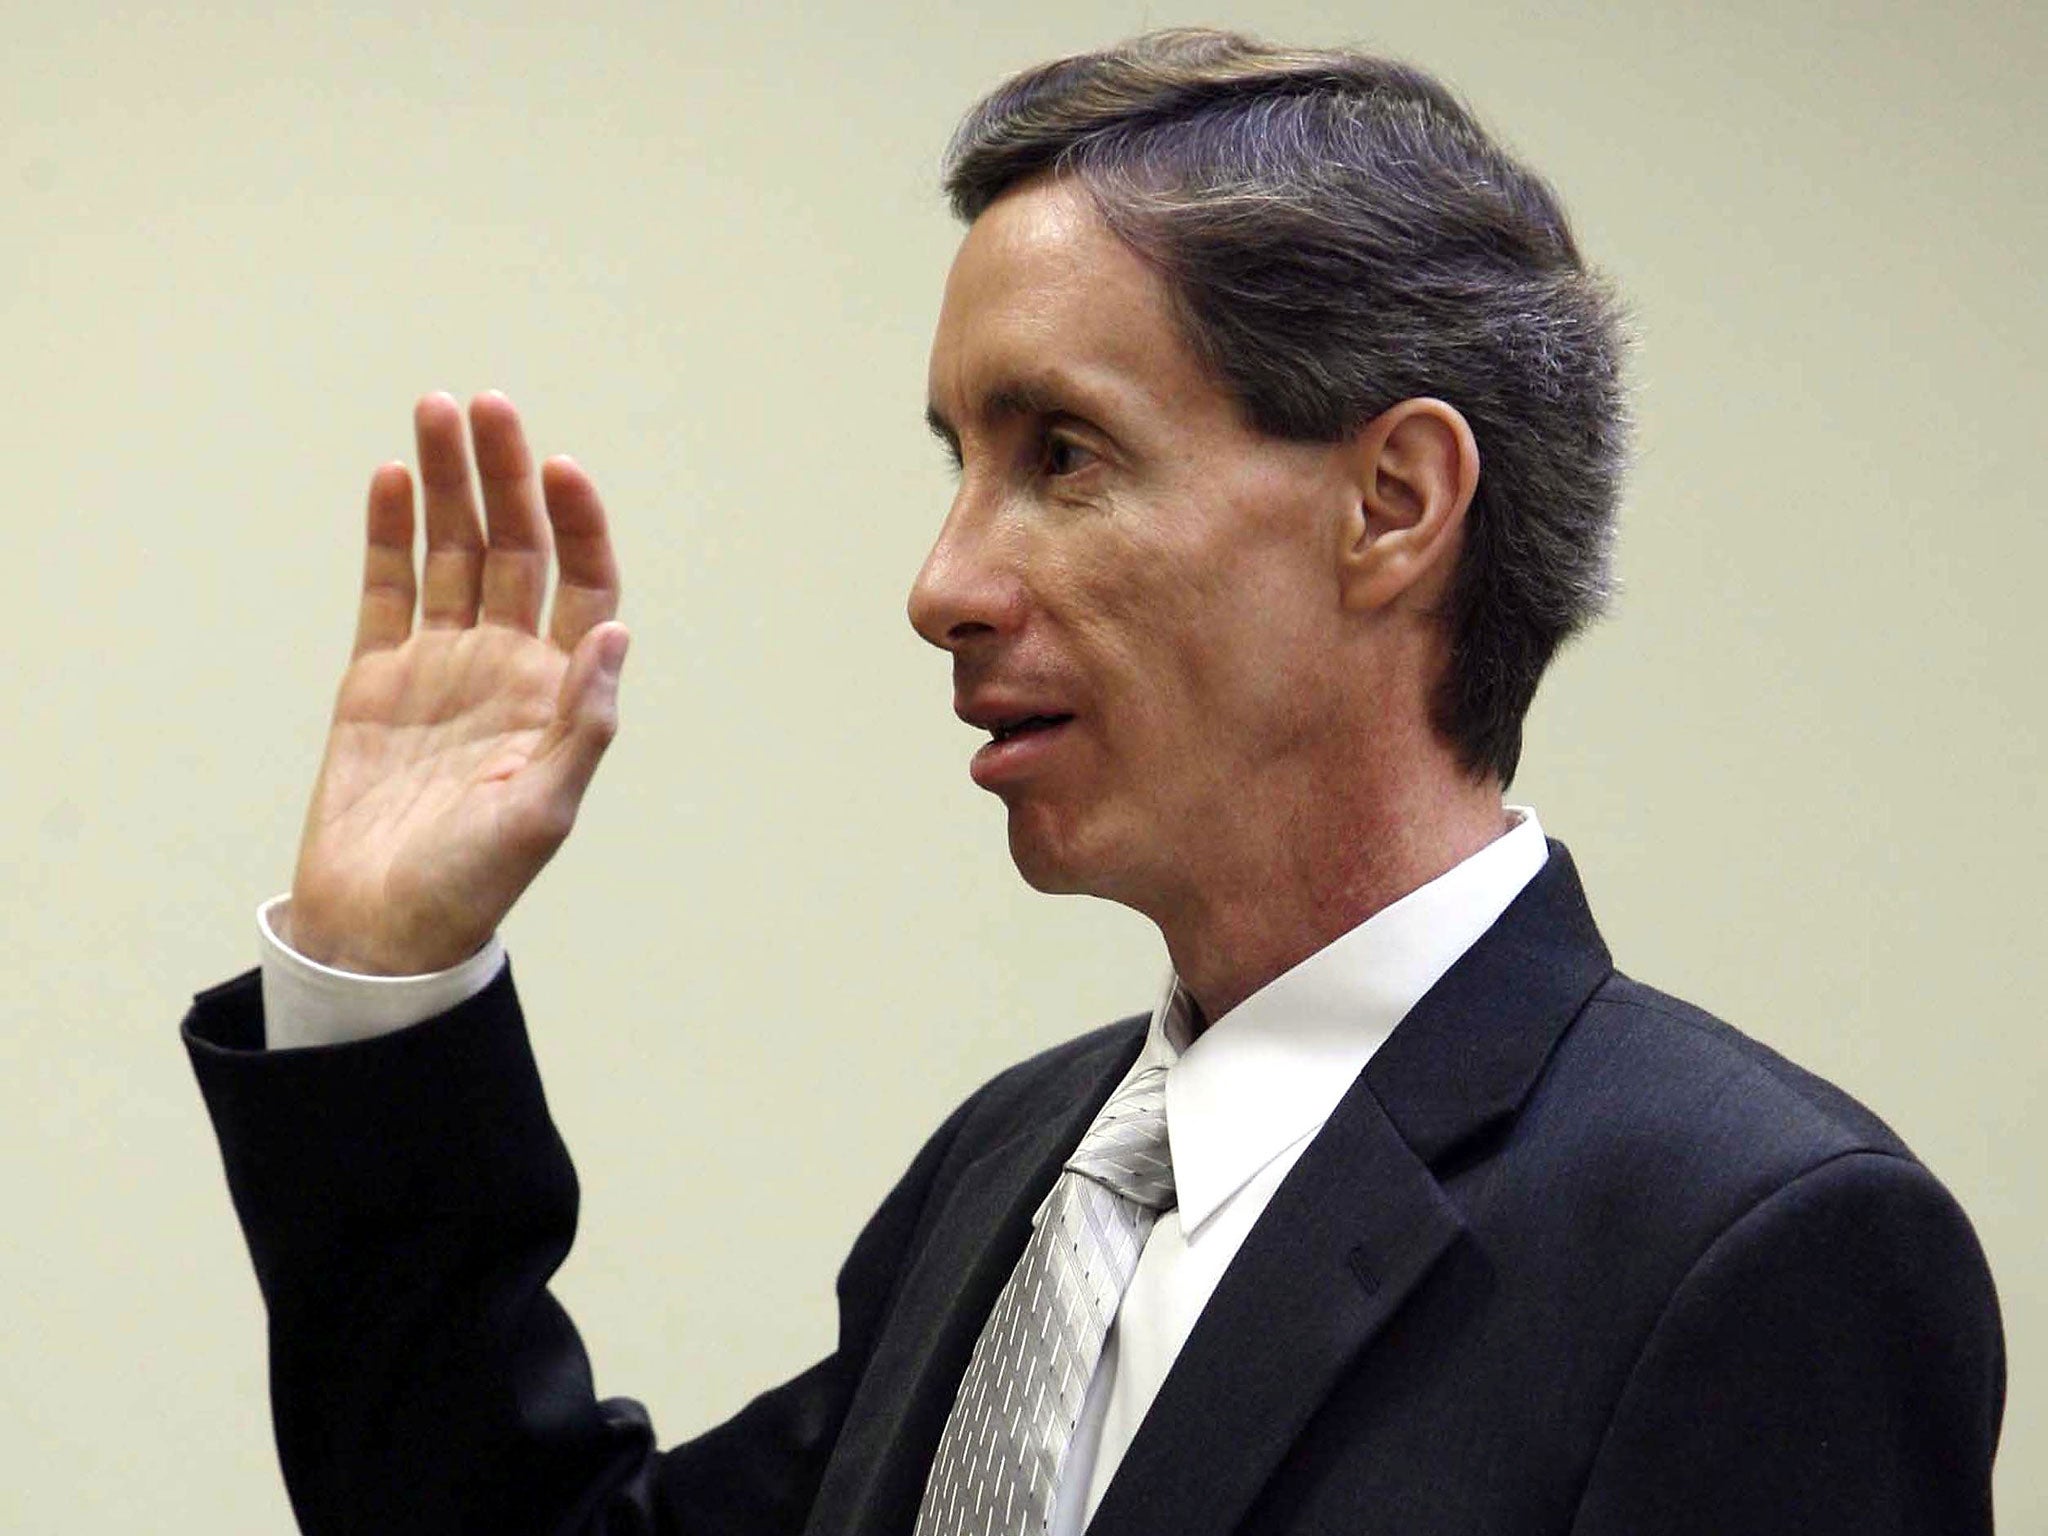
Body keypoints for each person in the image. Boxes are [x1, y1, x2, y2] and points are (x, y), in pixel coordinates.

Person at [184, 29, 2004, 1536]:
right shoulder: (1025, 1171)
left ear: (1393, 507)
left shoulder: (1752, 1246)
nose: (941, 584)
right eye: (958, 463)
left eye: (1061, 454)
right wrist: (383, 987)